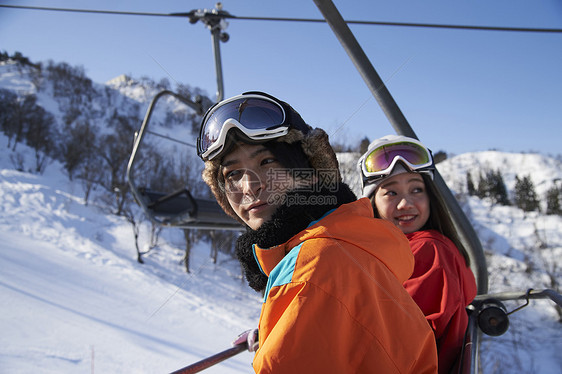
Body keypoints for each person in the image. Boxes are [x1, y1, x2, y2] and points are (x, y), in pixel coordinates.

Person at [197, 92, 438, 373]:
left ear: (310, 173)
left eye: (267, 162)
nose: (250, 186)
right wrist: (278, 329)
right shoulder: (347, 242)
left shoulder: (315, 263)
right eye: (232, 175)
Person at [358, 134, 478, 374]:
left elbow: (400, 344)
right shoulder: (392, 254)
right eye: (391, 193)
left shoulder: (428, 252)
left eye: (416, 189)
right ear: (373, 203)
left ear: (431, 197)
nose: (405, 204)